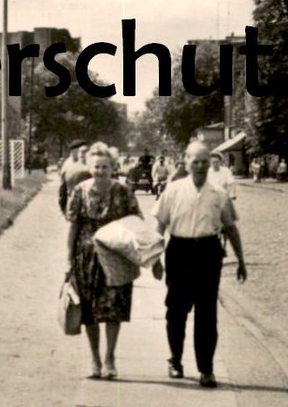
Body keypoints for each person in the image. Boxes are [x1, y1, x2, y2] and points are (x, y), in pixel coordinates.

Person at [154, 141, 247, 389]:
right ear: (186, 162)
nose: (200, 166)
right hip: (179, 251)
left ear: (210, 164)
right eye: (195, 161)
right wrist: (154, 258)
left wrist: (241, 260)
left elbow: (230, 227)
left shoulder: (219, 194)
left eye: (204, 161)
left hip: (208, 252)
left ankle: (206, 369)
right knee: (176, 310)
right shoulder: (172, 191)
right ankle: (175, 360)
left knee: (207, 314)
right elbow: (159, 226)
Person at [66, 143, 142, 380]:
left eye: (105, 167)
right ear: (90, 167)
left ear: (113, 167)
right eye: (96, 167)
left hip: (116, 257)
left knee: (113, 308)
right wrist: (68, 260)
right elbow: (73, 227)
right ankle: (95, 359)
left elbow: (136, 222)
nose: (100, 171)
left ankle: (110, 358)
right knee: (88, 311)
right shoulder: (79, 191)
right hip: (86, 258)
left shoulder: (123, 191)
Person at [58, 142, 90, 217]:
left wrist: (62, 207)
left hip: (72, 204)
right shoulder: (90, 169)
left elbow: (62, 189)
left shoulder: (68, 165)